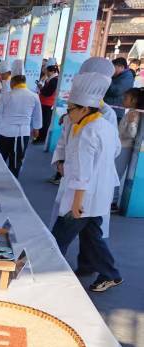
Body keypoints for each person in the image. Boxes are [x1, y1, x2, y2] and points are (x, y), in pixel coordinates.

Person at [51, 72, 123, 293]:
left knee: (58, 238)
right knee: (92, 237)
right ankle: (111, 274)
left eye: (70, 109)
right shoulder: (104, 125)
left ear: (84, 109)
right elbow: (116, 151)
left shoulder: (87, 132)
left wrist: (76, 204)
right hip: (99, 192)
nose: (68, 114)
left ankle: (47, 274)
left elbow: (83, 172)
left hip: (83, 196)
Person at [51, 57, 120, 185]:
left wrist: (84, 164)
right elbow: (63, 140)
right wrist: (60, 161)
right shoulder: (74, 110)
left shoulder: (108, 114)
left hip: (93, 176)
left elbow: (114, 149)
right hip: (69, 173)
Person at [0, 70, 41, 178]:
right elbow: (37, 116)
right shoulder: (34, 96)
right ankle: (12, 185)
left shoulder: (7, 96)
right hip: (22, 134)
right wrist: (36, 129)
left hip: (5, 133)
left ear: (13, 82)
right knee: (16, 164)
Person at [113, 88, 142, 211]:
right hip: (120, 146)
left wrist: (131, 123)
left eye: (126, 98)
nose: (123, 100)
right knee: (114, 173)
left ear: (134, 100)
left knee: (116, 174)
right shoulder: (130, 111)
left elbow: (131, 134)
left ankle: (113, 202)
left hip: (125, 148)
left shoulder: (135, 114)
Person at [35, 60, 59, 142]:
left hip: (48, 104)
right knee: (43, 120)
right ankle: (40, 136)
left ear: (52, 71)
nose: (46, 73)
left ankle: (42, 138)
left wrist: (41, 88)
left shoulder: (54, 80)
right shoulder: (50, 79)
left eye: (47, 71)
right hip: (44, 103)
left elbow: (48, 93)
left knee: (45, 122)